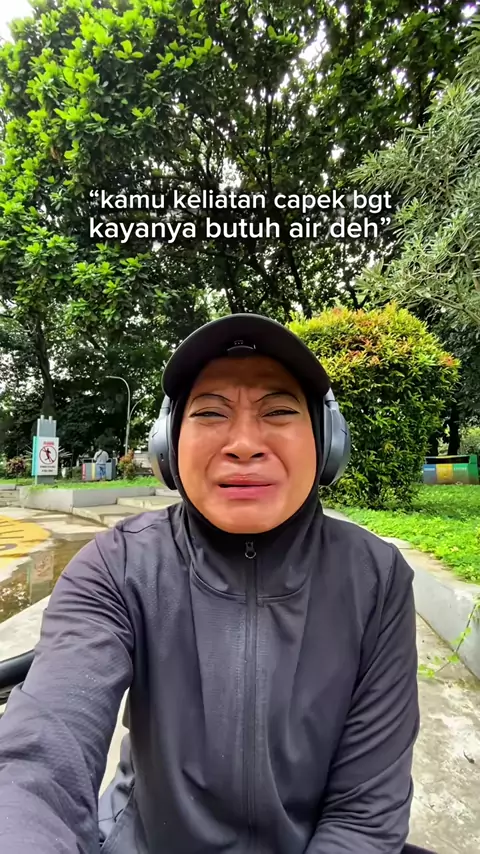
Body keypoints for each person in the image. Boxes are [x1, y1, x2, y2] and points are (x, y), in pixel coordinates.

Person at [0, 313, 428, 854]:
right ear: (168, 446)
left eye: (278, 411)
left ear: (327, 442)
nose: (244, 444)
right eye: (209, 412)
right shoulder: (115, 566)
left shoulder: (376, 579)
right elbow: (39, 764)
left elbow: (365, 817)